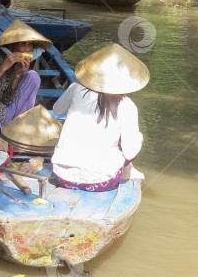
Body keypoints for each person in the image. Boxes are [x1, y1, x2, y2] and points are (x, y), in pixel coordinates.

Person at [50, 43, 149, 192]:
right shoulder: (127, 105)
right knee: (136, 138)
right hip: (101, 182)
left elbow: (57, 110)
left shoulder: (76, 88)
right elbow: (130, 152)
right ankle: (127, 170)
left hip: (63, 177)